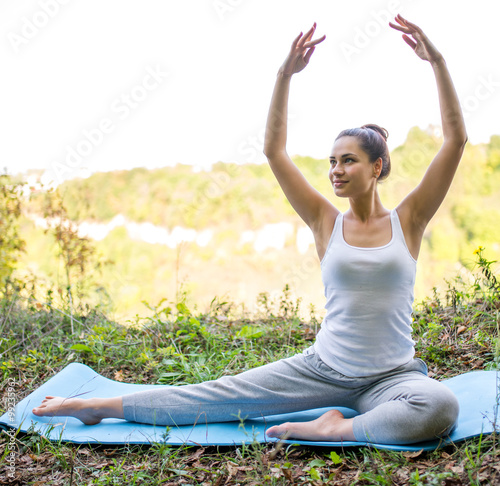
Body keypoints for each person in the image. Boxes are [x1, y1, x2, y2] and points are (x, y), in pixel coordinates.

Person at [32, 15, 467, 445]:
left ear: (377, 167)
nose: (336, 170)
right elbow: (274, 151)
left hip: (392, 378)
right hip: (322, 370)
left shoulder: (408, 220)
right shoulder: (325, 221)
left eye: (348, 160)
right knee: (217, 395)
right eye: (332, 161)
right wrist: (284, 75)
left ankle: (335, 428)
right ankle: (99, 407)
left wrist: (438, 62)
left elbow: (454, 140)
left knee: (439, 406)